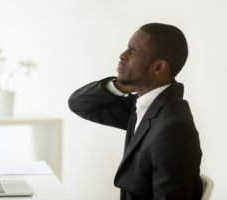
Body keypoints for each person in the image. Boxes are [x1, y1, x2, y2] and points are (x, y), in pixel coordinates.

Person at [68, 23, 203, 200]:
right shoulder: (145, 106)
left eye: (133, 51)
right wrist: (122, 85)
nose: (122, 55)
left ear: (159, 68)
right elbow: (79, 103)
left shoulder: (174, 128)